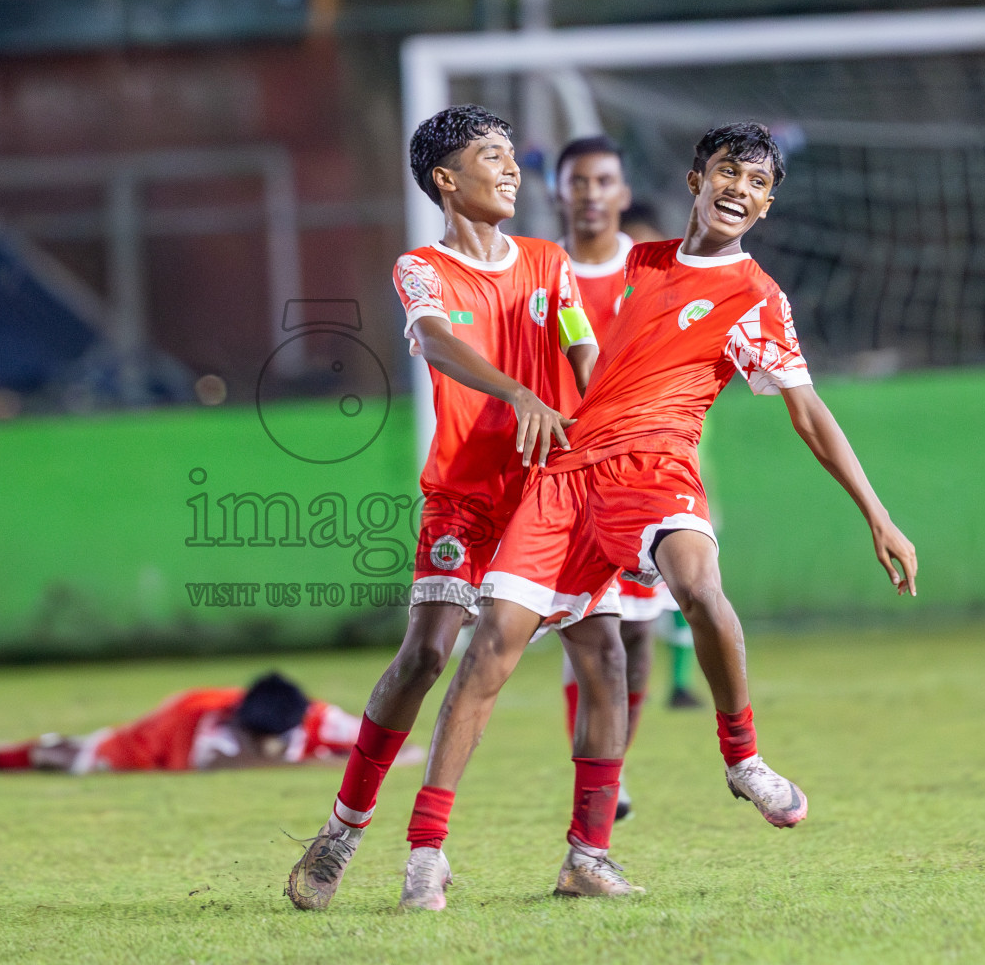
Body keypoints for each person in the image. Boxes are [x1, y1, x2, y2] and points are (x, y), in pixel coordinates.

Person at [395, 121, 919, 908]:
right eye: (726, 171)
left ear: (767, 205)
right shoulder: (632, 264)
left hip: (656, 468)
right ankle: (428, 854)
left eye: (756, 182)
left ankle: (742, 758)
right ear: (695, 181)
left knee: (698, 586)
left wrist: (878, 515)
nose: (738, 188)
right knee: (489, 651)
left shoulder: (756, 298)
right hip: (568, 475)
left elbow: (808, 412)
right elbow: (553, 282)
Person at [284, 105, 616, 911]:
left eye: (511, 157)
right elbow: (434, 339)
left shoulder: (549, 264)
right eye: (492, 156)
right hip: (465, 501)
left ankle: (588, 854)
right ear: (445, 178)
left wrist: (612, 407)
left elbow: (583, 347)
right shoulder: (422, 269)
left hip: (549, 495)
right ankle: (344, 831)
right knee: (428, 654)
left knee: (606, 656)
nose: (510, 170)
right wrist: (515, 390)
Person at [550, 136, 699, 825]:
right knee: (587, 627)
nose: (589, 194)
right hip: (560, 474)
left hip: (636, 473)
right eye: (577, 182)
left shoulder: (650, 275)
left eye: (602, 180)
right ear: (559, 191)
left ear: (620, 190)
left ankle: (617, 767)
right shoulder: (537, 269)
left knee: (639, 633)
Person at [0, 672, 409, 774]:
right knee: (69, 756)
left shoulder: (324, 723)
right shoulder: (196, 716)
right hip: (152, 744)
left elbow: (392, 748)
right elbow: (194, 758)